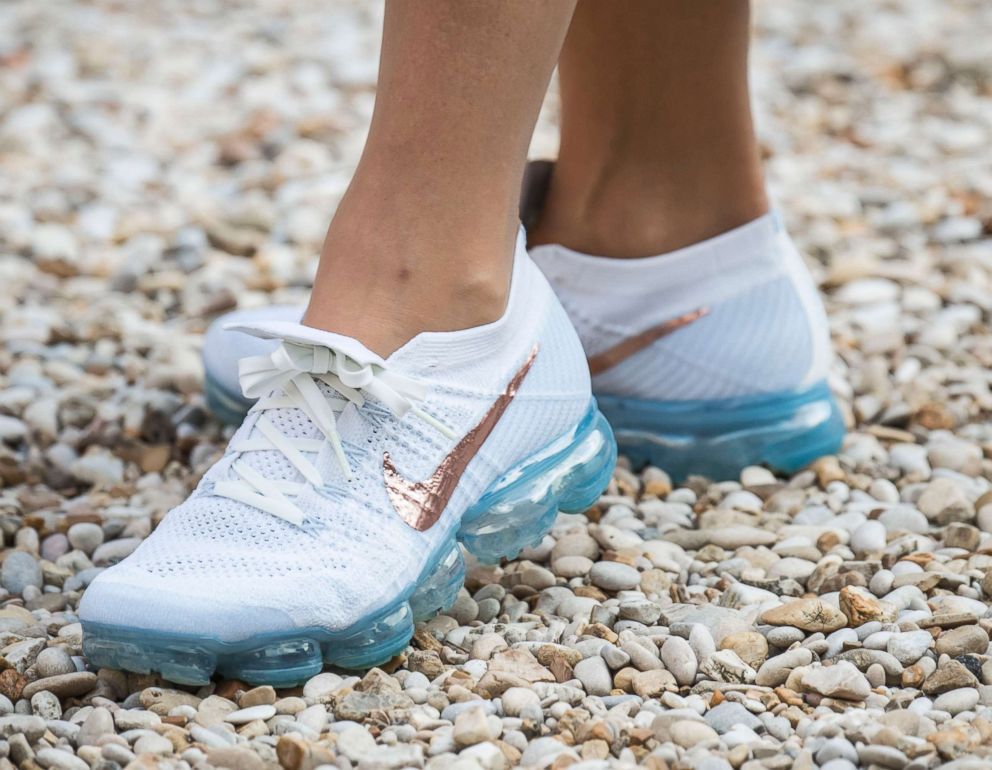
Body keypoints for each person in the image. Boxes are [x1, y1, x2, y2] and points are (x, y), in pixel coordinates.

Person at [79, 1, 844, 686]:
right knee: (653, 216)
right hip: (680, 268)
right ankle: (662, 238)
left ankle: (429, 285)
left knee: (423, 264)